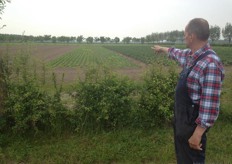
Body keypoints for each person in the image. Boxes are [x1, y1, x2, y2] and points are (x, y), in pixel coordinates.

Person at [151, 18, 225, 164]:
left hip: (193, 128)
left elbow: (209, 105)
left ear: (191, 36)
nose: (184, 37)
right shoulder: (192, 56)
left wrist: (197, 134)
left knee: (192, 160)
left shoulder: (210, 63)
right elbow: (177, 53)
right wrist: (162, 49)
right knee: (183, 158)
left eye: (185, 34)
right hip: (183, 123)